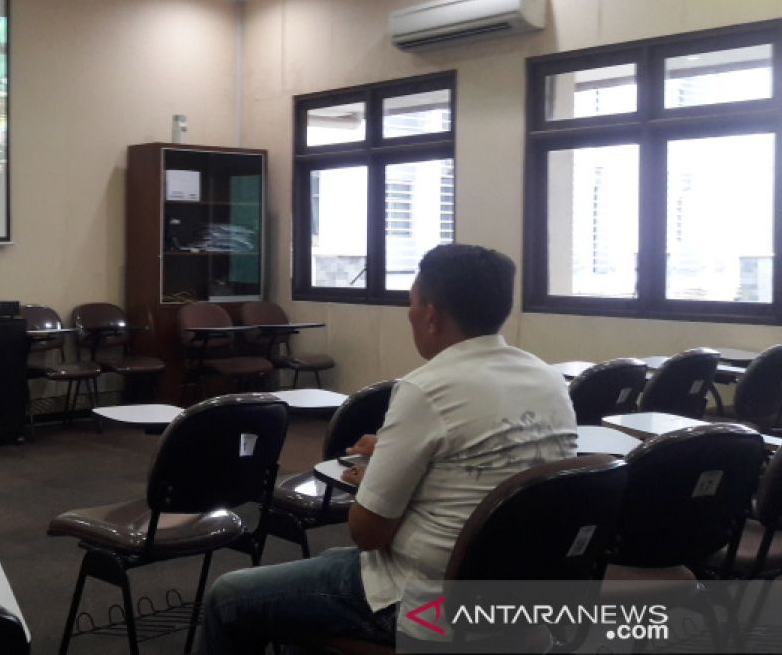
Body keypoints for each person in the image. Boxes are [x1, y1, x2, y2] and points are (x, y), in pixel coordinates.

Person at [200, 243, 578, 653]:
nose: (411, 315)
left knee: (230, 596)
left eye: (412, 304)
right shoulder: (548, 380)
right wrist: (395, 453)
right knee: (321, 570)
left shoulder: (426, 388)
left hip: (426, 601)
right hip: (522, 592)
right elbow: (483, 458)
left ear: (431, 315)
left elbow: (368, 533)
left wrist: (374, 481)